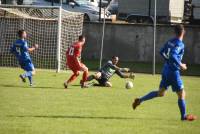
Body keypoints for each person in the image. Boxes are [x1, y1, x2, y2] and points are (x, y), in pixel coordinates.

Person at [132, 25, 197, 121]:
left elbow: (162, 52)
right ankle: (183, 117)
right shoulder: (180, 44)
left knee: (160, 93)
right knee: (182, 94)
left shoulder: (170, 41)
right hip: (173, 72)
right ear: (183, 32)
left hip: (166, 69)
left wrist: (168, 61)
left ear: (175, 32)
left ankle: (140, 100)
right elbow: (173, 55)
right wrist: (181, 65)